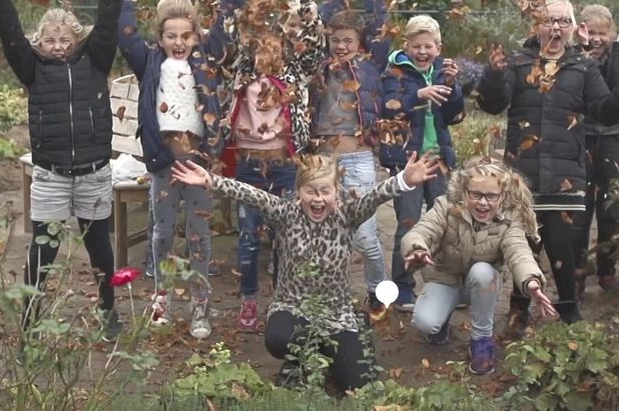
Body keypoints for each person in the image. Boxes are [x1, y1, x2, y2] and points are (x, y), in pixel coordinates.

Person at [0, 0, 138, 342]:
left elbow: (108, 17)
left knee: (99, 246)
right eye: (50, 40)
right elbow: (10, 32)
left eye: (64, 38)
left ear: (76, 39)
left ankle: (108, 309)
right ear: (39, 43)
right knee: (42, 250)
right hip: (51, 176)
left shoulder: (94, 61)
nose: (58, 45)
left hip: (94, 173)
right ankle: (30, 320)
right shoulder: (32, 69)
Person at [171, 152, 443, 392]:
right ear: (298, 191)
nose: (318, 199)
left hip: (336, 314)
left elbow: (375, 196)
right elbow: (249, 194)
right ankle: (298, 362)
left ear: (336, 192)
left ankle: (346, 336)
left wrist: (404, 180)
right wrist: (212, 181)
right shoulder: (284, 213)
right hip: (292, 308)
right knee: (279, 339)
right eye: (310, 191)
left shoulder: (347, 215)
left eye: (325, 191)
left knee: (361, 382)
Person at [475, 0, 619, 327]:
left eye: (563, 21)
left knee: (564, 247)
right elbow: (492, 105)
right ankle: (518, 310)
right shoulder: (518, 63)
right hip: (524, 175)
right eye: (548, 20)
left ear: (574, 28)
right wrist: (493, 76)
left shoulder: (582, 67)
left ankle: (569, 311)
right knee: (524, 245)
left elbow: (602, 109)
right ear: (537, 26)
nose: (555, 27)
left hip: (565, 174)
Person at [115, 0, 259, 339]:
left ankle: (201, 306)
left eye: (186, 35)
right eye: (171, 36)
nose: (179, 42)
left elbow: (225, 26)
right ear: (160, 37)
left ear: (196, 36)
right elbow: (124, 32)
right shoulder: (149, 63)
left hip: (198, 164)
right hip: (164, 161)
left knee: (199, 236)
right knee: (162, 235)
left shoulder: (206, 58)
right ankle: (161, 296)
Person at [223, 0, 328, 333]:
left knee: (287, 236)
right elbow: (228, 34)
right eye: (260, 47)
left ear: (285, 50)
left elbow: (316, 45)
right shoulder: (241, 73)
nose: (268, 53)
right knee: (249, 238)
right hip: (251, 166)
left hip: (285, 166)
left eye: (276, 48)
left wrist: (304, 4)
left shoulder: (296, 73)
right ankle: (249, 297)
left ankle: (284, 297)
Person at [402, 157, 557, 375]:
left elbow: (519, 252)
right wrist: (416, 248)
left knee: (483, 271)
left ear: (502, 196)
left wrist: (531, 280)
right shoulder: (445, 207)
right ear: (464, 191)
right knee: (425, 323)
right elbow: (421, 231)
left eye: (491, 196)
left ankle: (482, 340)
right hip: (445, 279)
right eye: (476, 194)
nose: (483, 202)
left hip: (483, 284)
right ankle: (442, 319)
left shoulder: (509, 219)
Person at [311, 0, 392, 314]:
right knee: (325, 234)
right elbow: (315, 26)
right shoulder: (319, 66)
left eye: (348, 40)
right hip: (324, 162)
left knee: (366, 238)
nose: (341, 45)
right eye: (336, 40)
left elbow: (380, 22)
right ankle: (327, 296)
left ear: (359, 44)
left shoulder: (370, 64)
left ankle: (378, 292)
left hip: (359, 159)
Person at [380, 15, 465, 311]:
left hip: (439, 158)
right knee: (408, 222)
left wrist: (453, 87)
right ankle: (403, 287)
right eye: (416, 46)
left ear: (438, 48)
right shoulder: (395, 72)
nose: (422, 52)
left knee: (448, 222)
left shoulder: (443, 71)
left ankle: (449, 283)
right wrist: (418, 95)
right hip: (409, 160)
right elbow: (387, 108)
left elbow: (455, 114)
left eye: (428, 46)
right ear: (407, 46)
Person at [572, 5, 619, 294]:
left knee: (611, 209)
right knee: (580, 210)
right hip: (583, 137)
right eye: (591, 32)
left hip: (615, 139)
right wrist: (582, 57)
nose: (597, 38)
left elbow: (617, 91)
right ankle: (576, 274)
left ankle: (607, 271)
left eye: (603, 33)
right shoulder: (573, 57)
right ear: (581, 31)